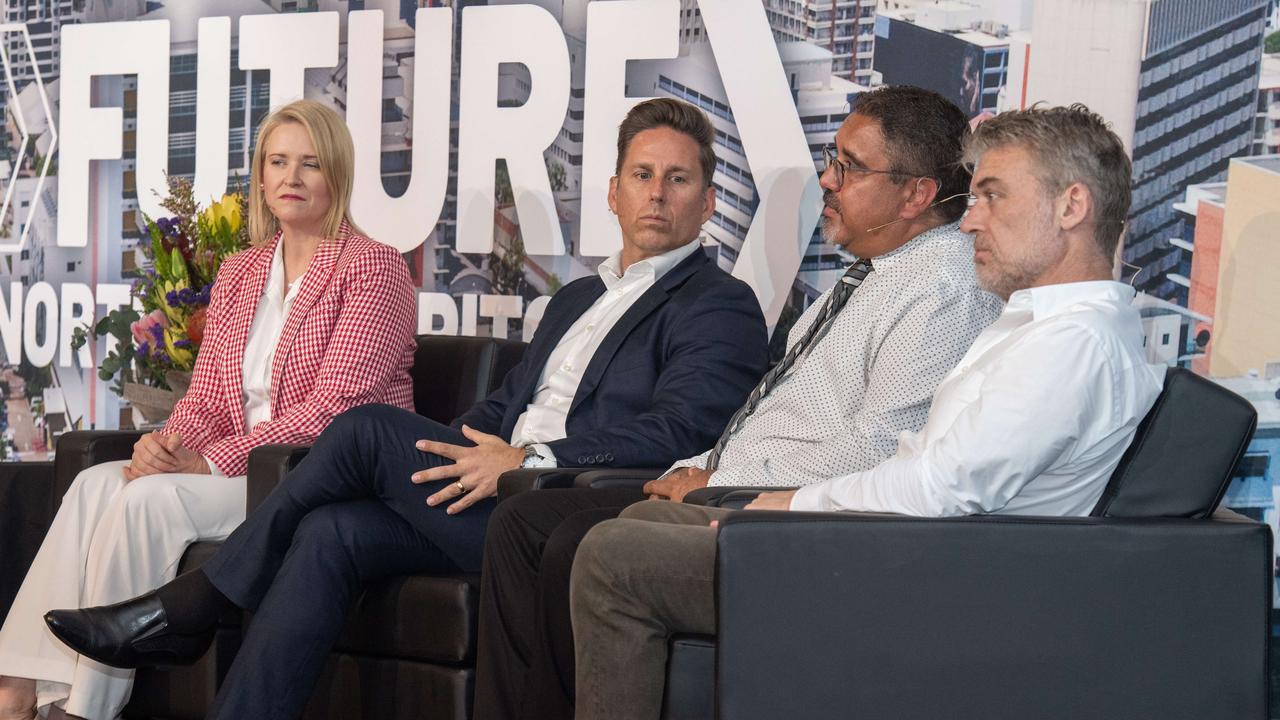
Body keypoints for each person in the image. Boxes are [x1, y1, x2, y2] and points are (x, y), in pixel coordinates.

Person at [46, 98, 769, 720]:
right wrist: (449, 451)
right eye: (643, 176)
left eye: (678, 180)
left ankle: (195, 604)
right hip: (481, 487)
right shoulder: (578, 298)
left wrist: (528, 459)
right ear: (613, 193)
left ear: (707, 202)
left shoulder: (720, 306)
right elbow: (506, 404)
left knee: (360, 426)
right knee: (331, 530)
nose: (657, 195)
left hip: (558, 506)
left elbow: (682, 430)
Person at [568, 103, 1167, 720]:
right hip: (908, 551)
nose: (968, 223)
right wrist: (770, 507)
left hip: (923, 581)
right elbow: (929, 471)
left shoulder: (1073, 343)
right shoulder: (1039, 327)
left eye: (991, 197)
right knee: (640, 522)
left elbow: (939, 488)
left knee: (615, 560)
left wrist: (783, 507)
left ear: (1072, 207)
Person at [472, 86, 1005, 720]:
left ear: (916, 194)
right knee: (542, 527)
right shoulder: (876, 275)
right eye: (833, 160)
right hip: (738, 489)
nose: (828, 181)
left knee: (570, 539)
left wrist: (720, 482)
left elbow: (878, 448)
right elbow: (763, 421)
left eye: (850, 167)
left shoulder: (941, 286)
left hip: (804, 525)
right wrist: (695, 472)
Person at [0, 99, 417, 720]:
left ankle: (83, 710)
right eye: (277, 162)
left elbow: (336, 413)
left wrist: (207, 461)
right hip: (231, 469)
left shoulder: (372, 268)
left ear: (338, 174)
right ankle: (19, 686)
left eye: (309, 164)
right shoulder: (242, 271)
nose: (291, 178)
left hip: (306, 479)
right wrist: (164, 445)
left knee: (149, 500)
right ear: (261, 174)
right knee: (95, 483)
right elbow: (209, 397)